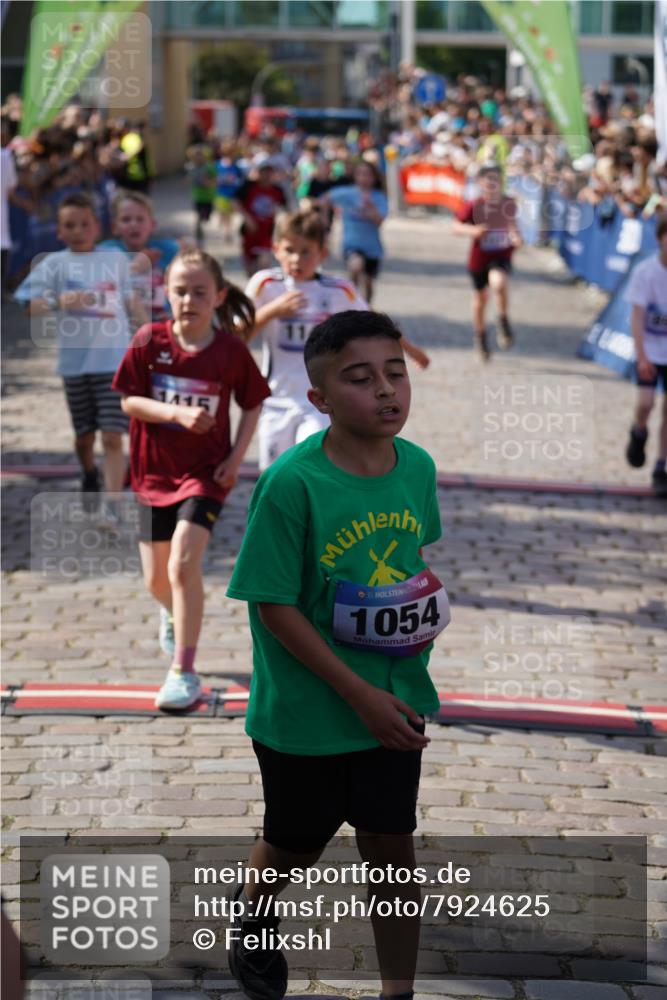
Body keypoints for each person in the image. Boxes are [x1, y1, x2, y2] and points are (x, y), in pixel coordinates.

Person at [226, 310, 450, 1000]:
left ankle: (397, 990)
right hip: (306, 713)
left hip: (395, 704)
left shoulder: (416, 466)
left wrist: (417, 615)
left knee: (391, 849)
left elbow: (408, 563)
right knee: (295, 841)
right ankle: (253, 911)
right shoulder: (293, 483)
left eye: (394, 373)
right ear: (319, 399)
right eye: (360, 379)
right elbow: (271, 603)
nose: (386, 391)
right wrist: (358, 693)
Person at [112, 249, 270, 710]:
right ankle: (172, 615)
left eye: (200, 292)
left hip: (204, 476)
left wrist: (236, 459)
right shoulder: (149, 340)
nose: (189, 300)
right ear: (167, 293)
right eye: (180, 291)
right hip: (150, 474)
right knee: (156, 582)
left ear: (219, 297)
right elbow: (129, 402)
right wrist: (175, 413)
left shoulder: (231, 351)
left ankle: (183, 672)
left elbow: (253, 402)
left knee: (184, 565)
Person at [246, 209, 430, 470]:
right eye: (289, 250)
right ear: (276, 249)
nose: (296, 259)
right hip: (276, 399)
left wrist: (411, 350)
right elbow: (237, 335)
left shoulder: (338, 290)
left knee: (312, 468)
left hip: (318, 400)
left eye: (306, 251)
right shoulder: (265, 284)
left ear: (322, 253)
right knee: (273, 474)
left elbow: (373, 326)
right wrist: (271, 312)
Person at [14, 192, 145, 520]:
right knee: (85, 436)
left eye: (84, 224)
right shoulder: (53, 264)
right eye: (69, 225)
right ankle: (89, 471)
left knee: (113, 435)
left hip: (113, 363)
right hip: (75, 367)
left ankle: (113, 504)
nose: (77, 231)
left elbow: (132, 303)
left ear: (97, 227)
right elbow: (28, 306)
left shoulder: (114, 261)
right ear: (58, 231)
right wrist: (60, 300)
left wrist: (151, 335)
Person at [452, 162, 522, 361]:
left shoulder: (509, 203)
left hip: (501, 255)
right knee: (480, 299)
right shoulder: (474, 205)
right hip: (479, 259)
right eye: (487, 179)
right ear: (480, 182)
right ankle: (480, 334)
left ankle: (502, 319)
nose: (492, 183)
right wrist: (472, 231)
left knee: (498, 283)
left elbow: (513, 226)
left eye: (496, 179)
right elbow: (455, 226)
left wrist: (516, 237)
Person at [624, 213, 667, 497]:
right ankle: (639, 431)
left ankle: (660, 466)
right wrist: (642, 357)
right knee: (646, 404)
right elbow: (637, 317)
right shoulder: (646, 272)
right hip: (651, 350)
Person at [98, 190, 181, 325]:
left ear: (152, 225)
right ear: (114, 226)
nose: (133, 224)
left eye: (140, 219)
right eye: (126, 219)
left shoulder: (166, 250)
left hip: (163, 322)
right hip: (123, 323)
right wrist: (134, 268)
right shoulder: (107, 251)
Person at [325, 161, 388, 305]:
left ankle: (366, 306)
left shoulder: (378, 197)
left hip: (372, 247)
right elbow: (325, 198)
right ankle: (351, 301)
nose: (364, 178)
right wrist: (324, 220)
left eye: (368, 175)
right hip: (351, 244)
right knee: (356, 266)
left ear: (374, 178)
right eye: (360, 174)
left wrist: (371, 207)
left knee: (368, 282)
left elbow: (380, 221)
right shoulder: (347, 193)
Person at [235, 161, 287, 276]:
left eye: (270, 173)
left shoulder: (278, 190)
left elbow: (284, 209)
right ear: (258, 173)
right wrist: (247, 218)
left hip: (268, 232)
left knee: (264, 263)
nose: (267, 176)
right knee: (250, 268)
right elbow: (235, 202)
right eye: (264, 172)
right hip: (250, 232)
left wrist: (278, 214)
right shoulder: (249, 186)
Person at [185, 144, 217, 245]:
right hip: (198, 196)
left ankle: (201, 221)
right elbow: (188, 178)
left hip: (208, 196)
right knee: (199, 213)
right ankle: (198, 227)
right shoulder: (192, 167)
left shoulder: (209, 167)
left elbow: (215, 180)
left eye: (200, 156)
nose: (198, 159)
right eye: (196, 157)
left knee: (207, 216)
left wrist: (208, 183)